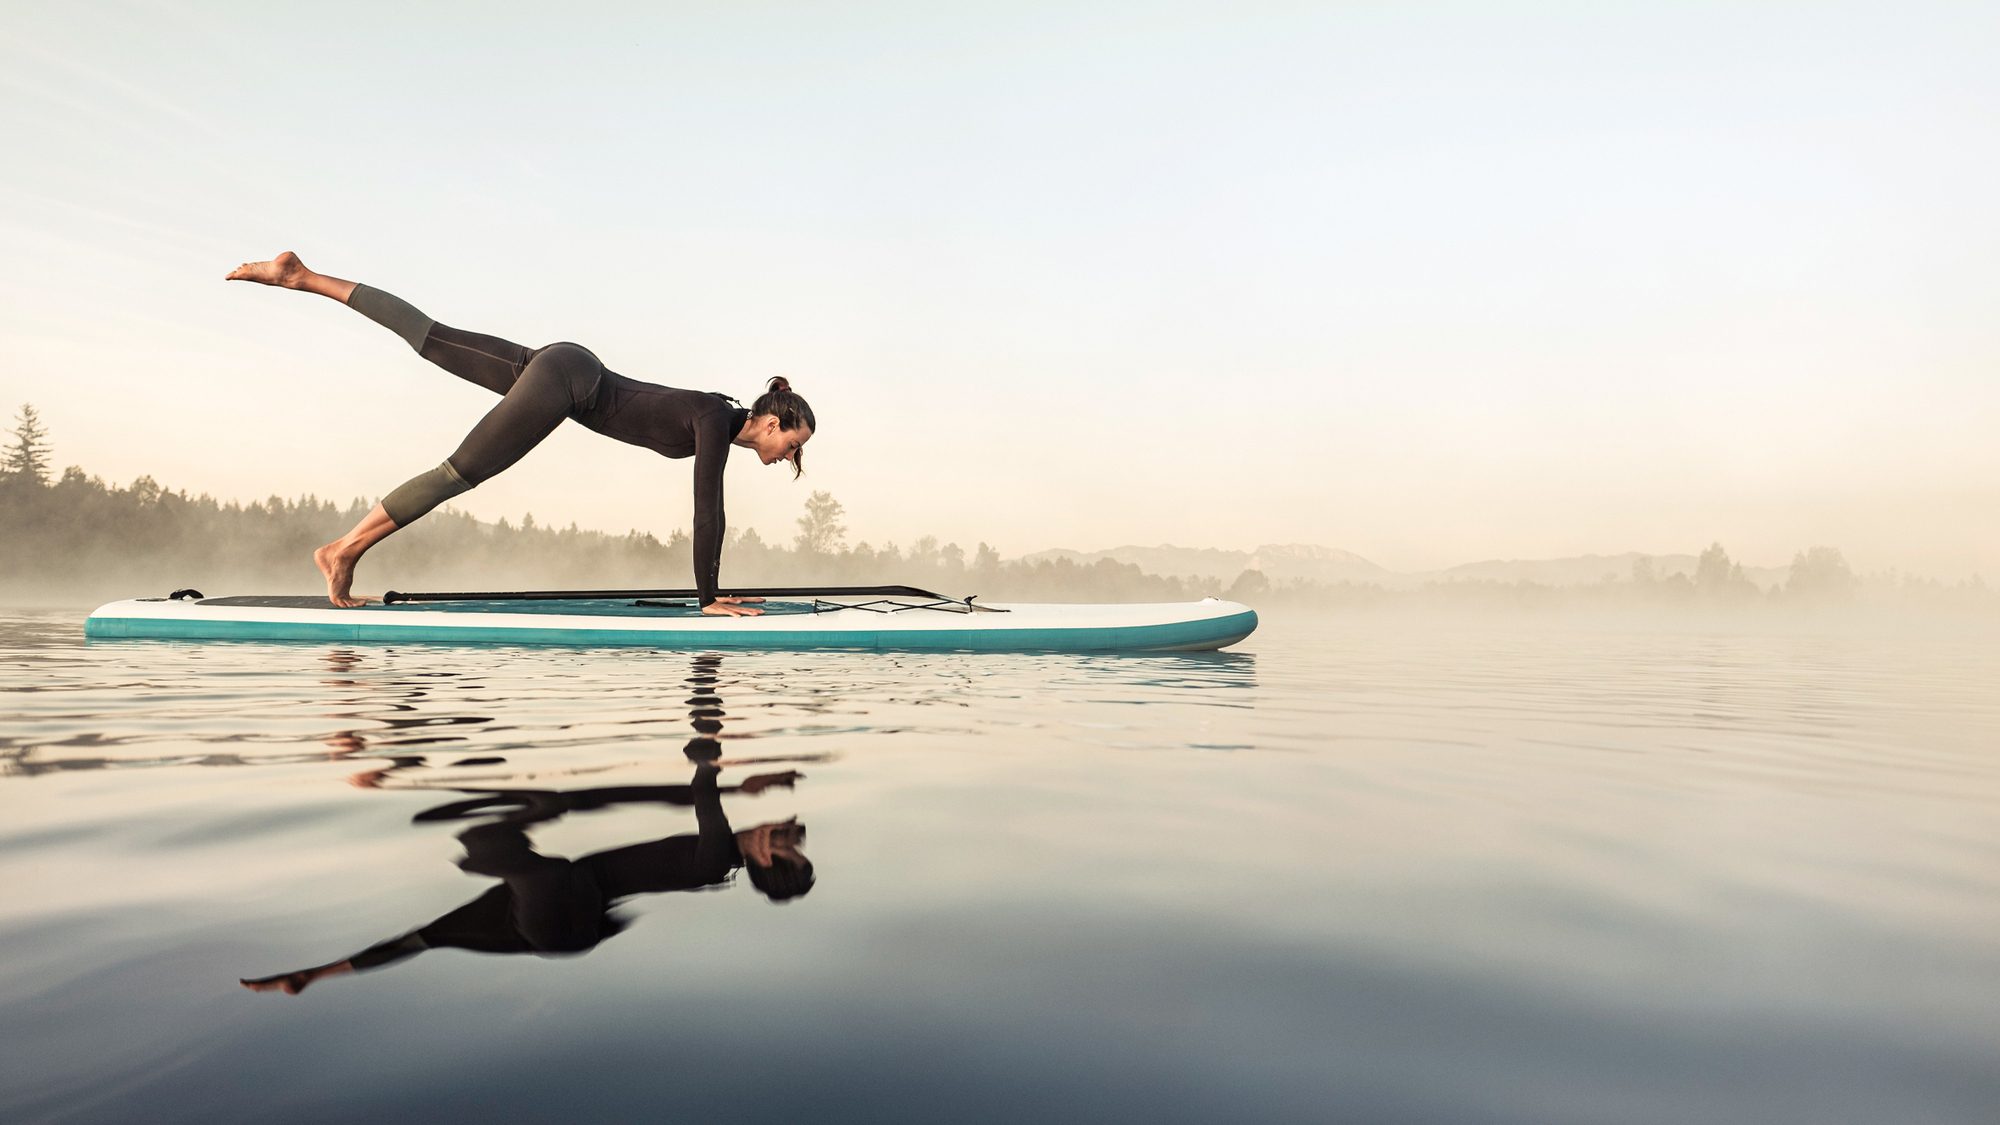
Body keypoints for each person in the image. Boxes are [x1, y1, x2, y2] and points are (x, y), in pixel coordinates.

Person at [224, 251, 815, 614]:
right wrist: (708, 597)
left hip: (567, 365)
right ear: (770, 421)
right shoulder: (717, 420)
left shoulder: (718, 410)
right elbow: (707, 510)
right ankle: (342, 550)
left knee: (430, 337)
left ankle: (298, 275)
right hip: (569, 383)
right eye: (792, 443)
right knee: (462, 471)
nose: (789, 456)